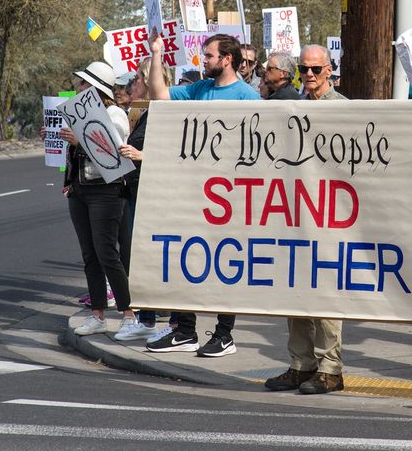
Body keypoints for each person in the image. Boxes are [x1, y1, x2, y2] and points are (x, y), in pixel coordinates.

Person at [144, 33, 260, 356]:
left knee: (226, 265)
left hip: (229, 198)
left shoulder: (248, 97)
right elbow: (159, 96)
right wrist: (157, 54)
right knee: (186, 258)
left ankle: (224, 335)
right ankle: (185, 331)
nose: (203, 60)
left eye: (208, 55)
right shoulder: (200, 88)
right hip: (195, 192)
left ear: (227, 59)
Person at [264, 44, 347, 395]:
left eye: (315, 68)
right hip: (294, 213)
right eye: (304, 69)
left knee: (326, 293)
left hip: (329, 216)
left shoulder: (344, 109)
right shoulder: (292, 108)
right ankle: (301, 365)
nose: (309, 74)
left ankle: (330, 370)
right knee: (295, 291)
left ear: (329, 69)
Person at [57, 61, 137, 337]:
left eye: (84, 83)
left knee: (107, 254)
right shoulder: (81, 114)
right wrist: (70, 182)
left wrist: (78, 141)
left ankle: (129, 315)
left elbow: (113, 151)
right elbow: (75, 155)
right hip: (82, 190)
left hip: (107, 190)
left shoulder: (115, 114)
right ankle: (98, 315)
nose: (78, 87)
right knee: (90, 255)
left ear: (96, 87)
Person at [114, 58, 170, 341]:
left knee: (151, 257)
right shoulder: (145, 113)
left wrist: (141, 155)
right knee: (140, 257)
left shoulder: (164, 113)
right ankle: (146, 318)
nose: (131, 84)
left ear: (148, 80)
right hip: (137, 191)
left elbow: (173, 152)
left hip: (153, 195)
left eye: (136, 78)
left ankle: (161, 318)